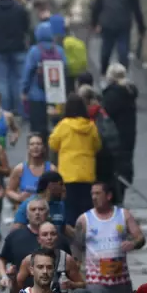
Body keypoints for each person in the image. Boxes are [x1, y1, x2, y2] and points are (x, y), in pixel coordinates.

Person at [73, 181, 145, 293]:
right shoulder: (85, 219)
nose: (94, 197)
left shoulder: (123, 215)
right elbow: (76, 245)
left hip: (120, 279)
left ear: (109, 195)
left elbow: (140, 237)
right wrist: (75, 267)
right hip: (95, 278)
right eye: (92, 194)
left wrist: (133, 244)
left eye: (98, 193)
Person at [48, 93, 101, 226]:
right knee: (86, 208)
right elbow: (97, 145)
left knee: (70, 209)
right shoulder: (91, 126)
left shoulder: (64, 125)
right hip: (87, 173)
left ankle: (72, 238)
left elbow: (53, 143)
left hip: (68, 174)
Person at [90, 0, 146, 74]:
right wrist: (94, 23)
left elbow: (136, 9)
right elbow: (97, 6)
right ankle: (104, 74)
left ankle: (122, 77)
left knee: (123, 54)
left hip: (123, 28)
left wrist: (141, 27)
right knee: (105, 53)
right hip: (107, 27)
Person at [21, 22, 66, 139]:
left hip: (37, 96)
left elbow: (28, 71)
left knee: (37, 130)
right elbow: (65, 69)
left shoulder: (34, 51)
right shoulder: (59, 51)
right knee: (56, 128)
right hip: (56, 96)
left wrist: (24, 90)